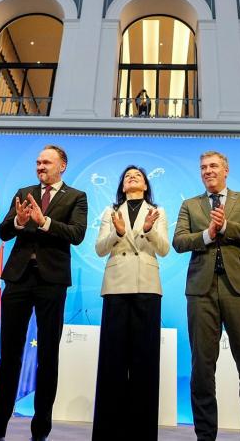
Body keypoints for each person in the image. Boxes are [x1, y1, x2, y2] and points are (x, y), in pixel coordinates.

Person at [0, 145, 87, 441]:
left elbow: (77, 234)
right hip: (18, 279)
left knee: (48, 356)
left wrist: (45, 223)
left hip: (51, 282)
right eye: (38, 162)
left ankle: (40, 431)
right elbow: (3, 232)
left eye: (46, 162)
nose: (40, 166)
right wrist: (19, 222)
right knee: (9, 356)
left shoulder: (76, 196)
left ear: (61, 166)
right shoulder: (24, 191)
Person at [172, 151, 240, 441]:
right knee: (202, 368)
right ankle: (205, 436)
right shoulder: (190, 205)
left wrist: (226, 228)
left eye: (213, 166)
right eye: (203, 167)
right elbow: (179, 241)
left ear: (226, 170)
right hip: (201, 291)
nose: (208, 171)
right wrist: (206, 234)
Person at [92, 165, 169, 441]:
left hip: (147, 286)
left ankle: (142, 433)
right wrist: (118, 233)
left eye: (137, 176)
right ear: (122, 186)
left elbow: (164, 249)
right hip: (115, 287)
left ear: (146, 185)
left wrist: (148, 230)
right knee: (112, 362)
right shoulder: (109, 213)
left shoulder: (157, 211)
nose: (132, 178)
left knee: (144, 362)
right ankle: (107, 432)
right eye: (127, 176)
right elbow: (100, 249)